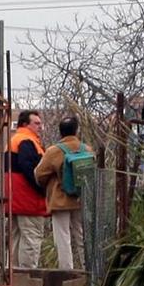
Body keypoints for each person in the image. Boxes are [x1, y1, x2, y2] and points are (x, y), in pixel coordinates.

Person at [34, 116, 92, 272]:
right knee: (82, 236)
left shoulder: (54, 151)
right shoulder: (87, 149)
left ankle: (67, 271)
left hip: (60, 200)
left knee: (63, 237)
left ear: (60, 132)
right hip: (81, 199)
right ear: (76, 130)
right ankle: (88, 270)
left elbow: (39, 174)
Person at [7, 109, 50, 268]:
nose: (40, 127)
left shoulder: (15, 139)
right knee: (31, 238)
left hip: (14, 198)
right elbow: (29, 168)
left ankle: (14, 276)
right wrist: (42, 189)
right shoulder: (27, 141)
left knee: (16, 239)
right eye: (36, 123)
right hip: (28, 199)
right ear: (25, 124)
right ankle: (27, 277)